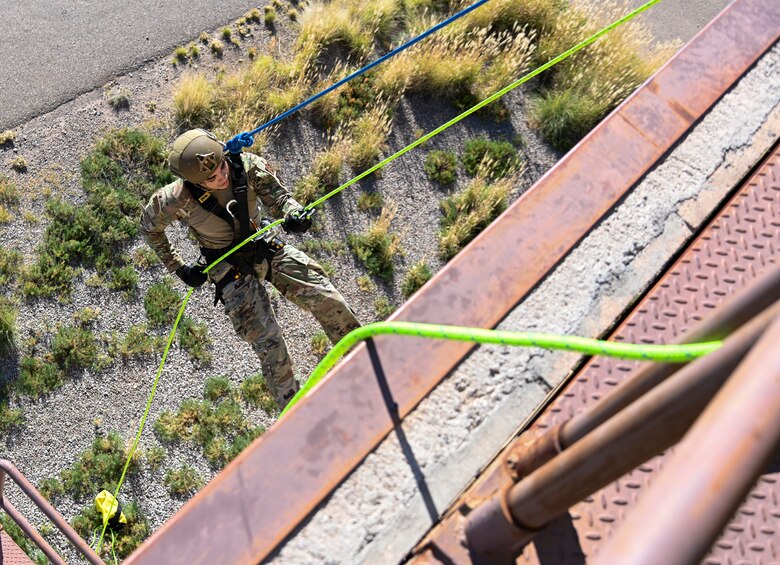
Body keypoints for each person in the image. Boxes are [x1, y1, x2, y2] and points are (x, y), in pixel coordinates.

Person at [140, 129, 360, 408]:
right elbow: (150, 229)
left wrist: (294, 214)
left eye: (221, 166)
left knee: (327, 298)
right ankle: (293, 409)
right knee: (269, 344)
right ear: (193, 181)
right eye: (211, 178)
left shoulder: (245, 166)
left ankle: (362, 356)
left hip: (262, 242)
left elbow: (279, 198)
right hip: (226, 266)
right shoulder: (175, 199)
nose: (221, 176)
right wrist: (179, 268)